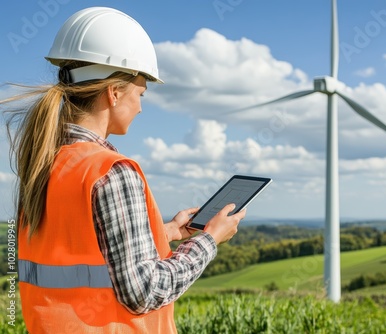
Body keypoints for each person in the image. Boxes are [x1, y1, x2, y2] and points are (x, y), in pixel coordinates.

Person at [2, 7, 245, 334]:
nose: (142, 106)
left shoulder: (43, 162)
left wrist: (167, 231)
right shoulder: (110, 171)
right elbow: (143, 292)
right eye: (140, 93)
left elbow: (75, 247)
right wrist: (211, 240)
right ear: (114, 93)